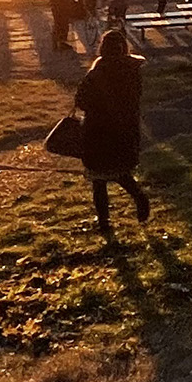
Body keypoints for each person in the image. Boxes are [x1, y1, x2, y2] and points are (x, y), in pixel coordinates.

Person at [75, 27, 150, 243]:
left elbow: (81, 101)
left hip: (97, 131)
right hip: (124, 129)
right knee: (121, 171)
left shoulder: (96, 73)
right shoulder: (132, 70)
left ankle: (104, 221)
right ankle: (139, 197)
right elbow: (135, 97)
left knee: (98, 180)